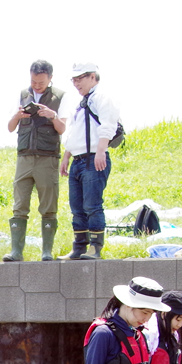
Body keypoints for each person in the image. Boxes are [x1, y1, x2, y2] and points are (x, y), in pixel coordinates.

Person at [5, 61, 67, 262]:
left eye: (41, 82)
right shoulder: (23, 94)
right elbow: (10, 127)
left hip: (47, 158)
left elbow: (62, 128)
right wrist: (17, 115)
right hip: (24, 157)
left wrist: (52, 115)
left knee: (48, 204)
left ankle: (46, 251)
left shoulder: (60, 96)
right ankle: (16, 252)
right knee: (19, 203)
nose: (36, 85)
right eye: (33, 81)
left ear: (50, 78)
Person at [61, 63, 121, 261]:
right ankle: (79, 247)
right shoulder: (80, 104)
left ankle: (95, 247)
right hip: (77, 160)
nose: (76, 83)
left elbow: (108, 125)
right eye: (74, 79)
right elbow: (73, 133)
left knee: (92, 205)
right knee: (76, 207)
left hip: (94, 158)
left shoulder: (102, 98)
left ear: (93, 77)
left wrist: (101, 151)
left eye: (80, 78)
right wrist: (66, 157)